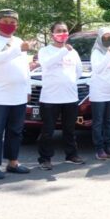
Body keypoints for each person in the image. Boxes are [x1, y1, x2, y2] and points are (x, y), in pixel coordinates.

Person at [0, 9, 32, 179]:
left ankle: (13, 162)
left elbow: (25, 68)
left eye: (13, 22)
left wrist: (28, 89)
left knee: (16, 131)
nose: (9, 25)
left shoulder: (18, 41)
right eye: (6, 21)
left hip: (18, 95)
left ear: (17, 25)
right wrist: (18, 49)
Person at [37, 22, 84, 169]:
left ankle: (71, 155)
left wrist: (67, 82)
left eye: (64, 31)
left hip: (70, 97)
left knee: (69, 129)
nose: (62, 33)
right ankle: (45, 159)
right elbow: (46, 64)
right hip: (50, 98)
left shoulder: (73, 52)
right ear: (52, 34)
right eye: (59, 31)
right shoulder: (45, 51)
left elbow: (79, 72)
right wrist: (64, 51)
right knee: (48, 131)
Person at [89, 28, 110, 160]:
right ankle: (99, 149)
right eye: (105, 37)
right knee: (98, 122)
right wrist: (109, 55)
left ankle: (109, 146)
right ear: (99, 38)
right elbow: (98, 69)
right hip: (99, 93)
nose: (107, 39)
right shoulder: (96, 53)